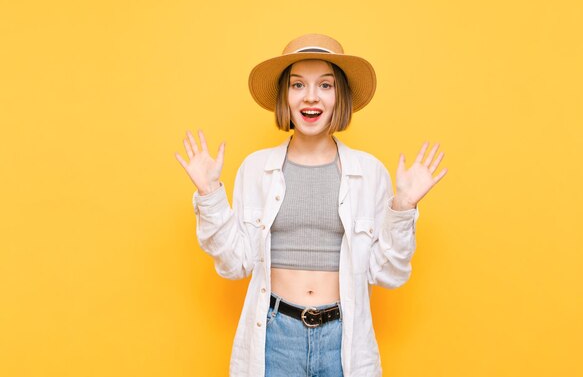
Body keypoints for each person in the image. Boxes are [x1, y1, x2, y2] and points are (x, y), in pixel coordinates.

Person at [175, 34, 447, 377]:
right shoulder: (256, 169)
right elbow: (235, 264)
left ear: (339, 97)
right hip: (274, 337)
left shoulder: (369, 172)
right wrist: (210, 193)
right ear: (285, 98)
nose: (311, 97)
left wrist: (403, 207)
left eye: (326, 85)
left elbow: (388, 274)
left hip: (343, 338)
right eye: (298, 84)